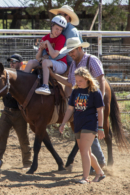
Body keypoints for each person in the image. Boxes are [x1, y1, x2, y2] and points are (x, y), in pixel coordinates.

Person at [49, 37, 106, 171]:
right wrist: (53, 75)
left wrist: (100, 100)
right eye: (68, 52)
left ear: (80, 48)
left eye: (72, 51)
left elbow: (101, 78)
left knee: (89, 131)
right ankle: (98, 163)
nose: (70, 54)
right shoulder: (74, 64)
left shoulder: (91, 60)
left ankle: (98, 164)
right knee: (87, 132)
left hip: (92, 102)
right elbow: (70, 83)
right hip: (81, 102)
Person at [59, 67, 106, 184]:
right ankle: (100, 173)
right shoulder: (75, 91)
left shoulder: (95, 91)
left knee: (83, 152)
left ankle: (85, 178)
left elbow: (100, 110)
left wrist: (100, 128)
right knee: (87, 152)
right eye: (76, 80)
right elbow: (70, 109)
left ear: (86, 79)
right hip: (78, 124)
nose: (78, 83)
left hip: (90, 124)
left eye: (80, 81)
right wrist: (63, 123)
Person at [0, 54, 32, 169]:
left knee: (23, 139)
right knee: (0, 136)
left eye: (14, 62)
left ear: (21, 63)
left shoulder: (24, 78)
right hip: (6, 112)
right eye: (10, 62)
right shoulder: (6, 77)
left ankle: (27, 163)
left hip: (19, 113)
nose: (11, 64)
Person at [24, 15, 67, 95]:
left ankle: (45, 86)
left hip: (61, 64)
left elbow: (54, 55)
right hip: (47, 62)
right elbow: (37, 57)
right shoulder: (44, 37)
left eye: (60, 30)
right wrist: (41, 49)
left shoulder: (61, 38)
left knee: (45, 62)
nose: (58, 32)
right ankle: (23, 83)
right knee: (31, 62)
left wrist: (47, 43)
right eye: (56, 29)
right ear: (52, 25)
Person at [48, 5, 83, 73]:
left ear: (67, 16)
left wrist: (49, 58)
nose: (58, 16)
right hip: (62, 61)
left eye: (60, 14)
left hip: (71, 63)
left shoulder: (71, 31)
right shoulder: (62, 30)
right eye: (58, 14)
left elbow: (67, 51)